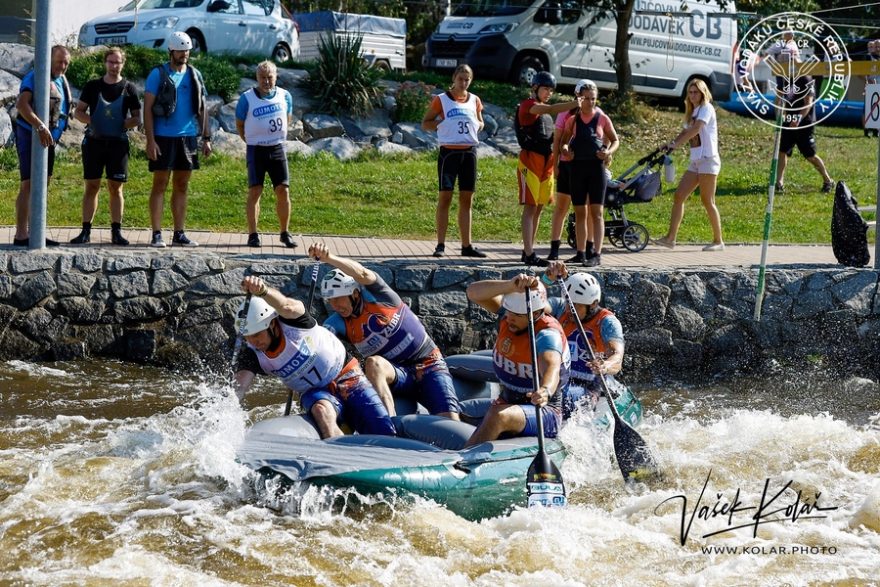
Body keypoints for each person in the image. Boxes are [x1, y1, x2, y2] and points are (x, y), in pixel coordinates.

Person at [310, 243, 461, 421]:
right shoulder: (335, 323)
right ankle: (389, 425)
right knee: (373, 363)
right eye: (330, 300)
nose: (335, 306)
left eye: (338, 299)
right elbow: (320, 347)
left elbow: (362, 273)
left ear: (355, 293)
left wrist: (328, 258)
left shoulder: (380, 295)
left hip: (429, 364)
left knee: (450, 420)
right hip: (396, 374)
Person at [234, 275, 396, 439]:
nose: (253, 341)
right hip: (313, 392)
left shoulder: (294, 321)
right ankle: (340, 451)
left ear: (272, 324)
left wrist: (263, 291)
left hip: (346, 374)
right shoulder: (252, 353)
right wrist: (226, 409)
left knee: (383, 429)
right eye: (248, 337)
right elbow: (239, 388)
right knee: (321, 411)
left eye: (257, 334)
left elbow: (286, 305)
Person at [463, 275, 570, 447]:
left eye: (517, 315)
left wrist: (545, 390)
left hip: (544, 412)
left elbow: (552, 369)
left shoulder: (547, 335)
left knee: (498, 415)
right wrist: (509, 285)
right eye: (509, 312)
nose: (509, 318)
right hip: (508, 401)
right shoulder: (509, 316)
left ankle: (465, 458)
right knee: (462, 413)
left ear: (535, 314)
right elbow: (472, 292)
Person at [143, 31, 210, 248]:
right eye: (180, 51)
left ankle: (179, 233)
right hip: (163, 137)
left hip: (187, 137)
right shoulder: (157, 74)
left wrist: (206, 137)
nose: (184, 55)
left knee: (182, 185)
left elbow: (202, 108)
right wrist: (150, 140)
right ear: (171, 51)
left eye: (187, 51)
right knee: (160, 184)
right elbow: (147, 109)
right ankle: (157, 233)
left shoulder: (194, 74)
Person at [70, 47, 141, 246]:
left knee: (115, 188)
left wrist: (122, 124)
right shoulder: (93, 86)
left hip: (118, 144)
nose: (114, 66)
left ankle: (116, 232)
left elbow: (137, 117)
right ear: (105, 63)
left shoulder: (129, 88)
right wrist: (94, 121)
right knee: (92, 186)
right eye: (110, 61)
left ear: (123, 64)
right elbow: (78, 112)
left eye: (117, 62)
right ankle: (85, 231)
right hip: (94, 143)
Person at [544, 262, 625, 419]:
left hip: (589, 387)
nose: (569, 309)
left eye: (576, 306)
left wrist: (605, 365)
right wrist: (547, 279)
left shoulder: (607, 322)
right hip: (559, 379)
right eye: (568, 303)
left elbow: (617, 357)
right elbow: (532, 304)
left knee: (558, 395)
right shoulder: (560, 308)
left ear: (593, 304)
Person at [421, 64, 487, 258]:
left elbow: (481, 122)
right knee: (445, 197)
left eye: (467, 80)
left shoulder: (474, 100)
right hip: (449, 153)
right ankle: (440, 245)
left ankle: (467, 245)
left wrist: (477, 125)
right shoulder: (441, 99)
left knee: (467, 199)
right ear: (454, 78)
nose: (463, 83)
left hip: (469, 153)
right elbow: (425, 123)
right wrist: (443, 123)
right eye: (460, 79)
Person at [652, 79, 725, 252]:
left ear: (703, 93)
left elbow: (696, 129)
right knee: (679, 196)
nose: (692, 95)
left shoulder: (706, 108)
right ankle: (670, 239)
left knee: (707, 201)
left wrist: (676, 145)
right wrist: (671, 144)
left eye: (696, 92)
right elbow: (685, 131)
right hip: (696, 161)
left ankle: (718, 241)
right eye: (690, 92)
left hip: (708, 160)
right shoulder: (693, 111)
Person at [515, 72, 580, 266]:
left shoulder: (546, 114)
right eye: (545, 89)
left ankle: (528, 251)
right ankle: (529, 253)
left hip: (547, 163)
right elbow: (551, 108)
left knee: (539, 208)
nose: (548, 93)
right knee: (530, 207)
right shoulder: (528, 105)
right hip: (530, 161)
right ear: (535, 88)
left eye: (551, 90)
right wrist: (575, 102)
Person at [12, 45, 72, 247]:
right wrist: (39, 126)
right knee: (28, 184)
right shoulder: (35, 77)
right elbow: (22, 104)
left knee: (42, 184)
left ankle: (36, 231)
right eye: (59, 62)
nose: (62, 66)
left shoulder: (61, 80)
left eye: (66, 63)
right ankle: (21, 235)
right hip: (30, 135)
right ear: (49, 60)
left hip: (48, 139)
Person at [235, 60, 298, 249]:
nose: (266, 81)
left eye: (270, 77)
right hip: (256, 149)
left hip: (277, 148)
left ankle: (284, 233)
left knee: (283, 190)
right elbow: (239, 124)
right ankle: (253, 234)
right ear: (257, 78)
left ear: (276, 77)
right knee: (255, 190)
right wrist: (251, 139)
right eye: (262, 78)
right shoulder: (246, 99)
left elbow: (287, 118)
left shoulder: (285, 96)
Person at [558, 79, 619, 267]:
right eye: (586, 98)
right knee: (580, 213)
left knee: (597, 213)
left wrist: (608, 152)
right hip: (577, 169)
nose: (590, 102)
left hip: (596, 169)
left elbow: (615, 140)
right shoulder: (573, 120)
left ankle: (596, 254)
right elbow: (564, 142)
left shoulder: (602, 118)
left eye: (593, 99)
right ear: (579, 99)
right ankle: (581, 253)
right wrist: (566, 150)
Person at [774, 67, 834, 195]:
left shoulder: (806, 79)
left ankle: (828, 180)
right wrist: (779, 115)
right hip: (788, 121)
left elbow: (808, 103)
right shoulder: (784, 80)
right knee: (783, 151)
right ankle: (779, 183)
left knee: (810, 155)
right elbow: (778, 99)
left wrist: (797, 119)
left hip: (804, 122)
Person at [546, 79, 587, 262]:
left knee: (581, 209)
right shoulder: (565, 113)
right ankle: (554, 248)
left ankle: (582, 251)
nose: (584, 99)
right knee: (561, 207)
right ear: (576, 94)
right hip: (566, 165)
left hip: (584, 167)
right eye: (581, 95)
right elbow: (557, 140)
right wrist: (555, 164)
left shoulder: (595, 115)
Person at [862, 40, 880, 138]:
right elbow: (863, 72)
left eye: (878, 46)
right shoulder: (869, 57)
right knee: (867, 109)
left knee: (877, 108)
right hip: (871, 85)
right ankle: (866, 130)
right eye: (875, 46)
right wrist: (867, 81)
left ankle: (876, 131)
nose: (877, 48)